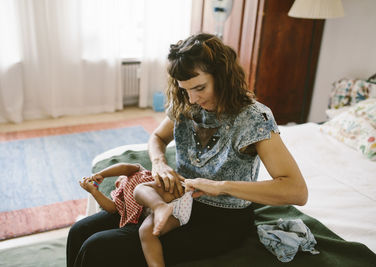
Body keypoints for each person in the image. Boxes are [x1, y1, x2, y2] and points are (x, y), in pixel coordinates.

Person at [66, 33, 308, 266]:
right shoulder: (186, 104)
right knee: (80, 231)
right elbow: (158, 137)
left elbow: (296, 191)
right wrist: (159, 163)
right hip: (179, 199)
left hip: (221, 220)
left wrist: (220, 186)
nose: (192, 99)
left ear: (222, 77)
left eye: (200, 88)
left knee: (98, 247)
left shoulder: (255, 119)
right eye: (185, 89)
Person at [73, 162, 193, 267]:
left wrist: (102, 174)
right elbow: (112, 208)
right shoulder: (122, 199)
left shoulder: (137, 173)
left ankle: (160, 206)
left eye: (120, 178)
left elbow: (124, 167)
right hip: (176, 212)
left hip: (172, 193)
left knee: (142, 189)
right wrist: (94, 191)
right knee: (145, 231)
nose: (117, 184)